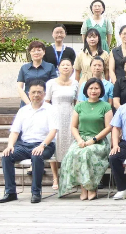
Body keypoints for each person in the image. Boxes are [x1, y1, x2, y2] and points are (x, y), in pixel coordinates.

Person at [0, 79, 57, 204]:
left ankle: (36, 192)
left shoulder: (50, 109)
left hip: (45, 145)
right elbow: (15, 131)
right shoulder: (23, 111)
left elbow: (53, 131)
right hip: (25, 145)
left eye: (39, 92)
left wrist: (42, 146)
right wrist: (10, 145)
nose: (36, 95)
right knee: (7, 155)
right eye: (33, 92)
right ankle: (10, 192)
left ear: (44, 94)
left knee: (37, 155)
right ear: (28, 94)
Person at [58, 77, 113, 200]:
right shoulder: (79, 106)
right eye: (91, 88)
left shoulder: (106, 106)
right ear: (86, 90)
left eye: (96, 88)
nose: (93, 91)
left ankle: (91, 187)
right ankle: (83, 187)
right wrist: (79, 140)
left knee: (87, 153)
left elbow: (109, 127)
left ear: (101, 90)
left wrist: (93, 140)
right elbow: (73, 127)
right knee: (72, 153)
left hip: (99, 142)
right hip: (81, 140)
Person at [45, 58, 79, 190]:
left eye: (68, 65)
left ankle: (69, 176)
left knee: (69, 145)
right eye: (63, 65)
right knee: (55, 144)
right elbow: (47, 102)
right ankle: (55, 177)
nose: (65, 67)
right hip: (55, 115)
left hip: (70, 115)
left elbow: (77, 102)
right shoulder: (51, 83)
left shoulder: (75, 83)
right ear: (58, 68)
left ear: (72, 68)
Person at [17, 41, 57, 107]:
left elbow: (54, 85)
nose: (36, 52)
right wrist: (28, 103)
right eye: (33, 50)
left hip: (45, 103)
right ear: (30, 52)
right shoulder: (24, 68)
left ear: (44, 52)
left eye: (39, 50)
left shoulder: (50, 67)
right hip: (27, 102)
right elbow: (19, 87)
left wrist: (45, 102)